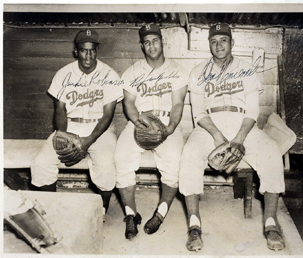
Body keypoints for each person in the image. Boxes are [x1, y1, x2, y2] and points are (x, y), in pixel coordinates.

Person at [179, 23, 285, 252]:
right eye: (214, 41)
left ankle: (270, 223)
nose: (219, 45)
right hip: (209, 126)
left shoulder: (247, 69)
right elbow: (198, 113)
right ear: (209, 44)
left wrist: (238, 138)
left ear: (232, 43)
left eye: (223, 40)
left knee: (271, 152)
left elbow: (252, 112)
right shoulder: (198, 71)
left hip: (242, 124)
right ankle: (194, 225)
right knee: (189, 154)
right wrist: (217, 135)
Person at [30, 29, 123, 215]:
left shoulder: (110, 75)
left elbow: (107, 115)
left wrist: (87, 141)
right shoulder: (63, 74)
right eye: (83, 50)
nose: (88, 55)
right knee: (41, 163)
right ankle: (53, 207)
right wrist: (63, 135)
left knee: (106, 168)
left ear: (97, 50)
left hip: (100, 128)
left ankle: (101, 210)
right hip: (70, 125)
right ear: (76, 51)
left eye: (92, 50)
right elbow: (60, 110)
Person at [114, 24, 188, 240]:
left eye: (155, 40)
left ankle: (161, 212)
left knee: (174, 160)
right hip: (140, 121)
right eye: (147, 42)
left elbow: (177, 105)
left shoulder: (177, 71)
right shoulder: (133, 71)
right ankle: (130, 215)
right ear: (142, 46)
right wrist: (138, 122)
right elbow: (129, 103)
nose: (151, 45)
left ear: (162, 42)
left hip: (167, 121)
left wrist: (170, 128)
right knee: (121, 157)